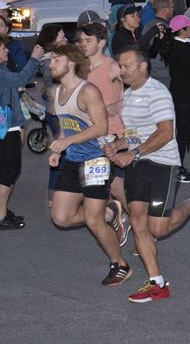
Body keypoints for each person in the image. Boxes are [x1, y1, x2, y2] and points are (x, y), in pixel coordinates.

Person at [103, 45, 190, 303]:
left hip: (161, 163)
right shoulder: (129, 94)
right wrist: (118, 144)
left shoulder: (156, 92)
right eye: (120, 66)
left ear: (142, 66)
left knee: (158, 228)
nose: (121, 71)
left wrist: (132, 153)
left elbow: (165, 132)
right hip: (137, 163)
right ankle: (157, 283)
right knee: (138, 220)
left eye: (126, 66)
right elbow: (136, 133)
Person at [46, 44, 132, 285]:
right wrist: (59, 146)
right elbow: (66, 125)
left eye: (55, 59)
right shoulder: (56, 92)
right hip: (72, 160)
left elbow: (101, 128)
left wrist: (67, 142)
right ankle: (111, 211)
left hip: (96, 161)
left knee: (94, 221)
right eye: (50, 60)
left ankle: (120, 264)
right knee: (61, 217)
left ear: (71, 62)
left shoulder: (88, 91)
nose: (51, 64)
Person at [74, 15, 130, 238]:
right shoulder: (80, 68)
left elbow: (138, 86)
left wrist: (119, 102)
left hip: (113, 136)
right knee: (99, 188)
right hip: (89, 136)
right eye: (81, 41)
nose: (82, 44)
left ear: (101, 43)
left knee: (116, 187)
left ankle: (140, 226)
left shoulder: (113, 67)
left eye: (88, 40)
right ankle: (118, 218)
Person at [0, 37, 44, 229]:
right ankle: (1, 216)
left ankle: (2, 211)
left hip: (9, 126)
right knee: (7, 172)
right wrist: (34, 58)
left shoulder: (3, 71)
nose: (6, 51)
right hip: (5, 128)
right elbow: (20, 79)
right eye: (2, 48)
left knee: (10, 171)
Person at [166, 15, 190, 183]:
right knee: (182, 134)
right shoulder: (183, 49)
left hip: (179, 94)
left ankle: (178, 166)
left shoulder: (175, 46)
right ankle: (179, 168)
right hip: (184, 96)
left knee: (180, 133)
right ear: (181, 31)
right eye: (189, 27)